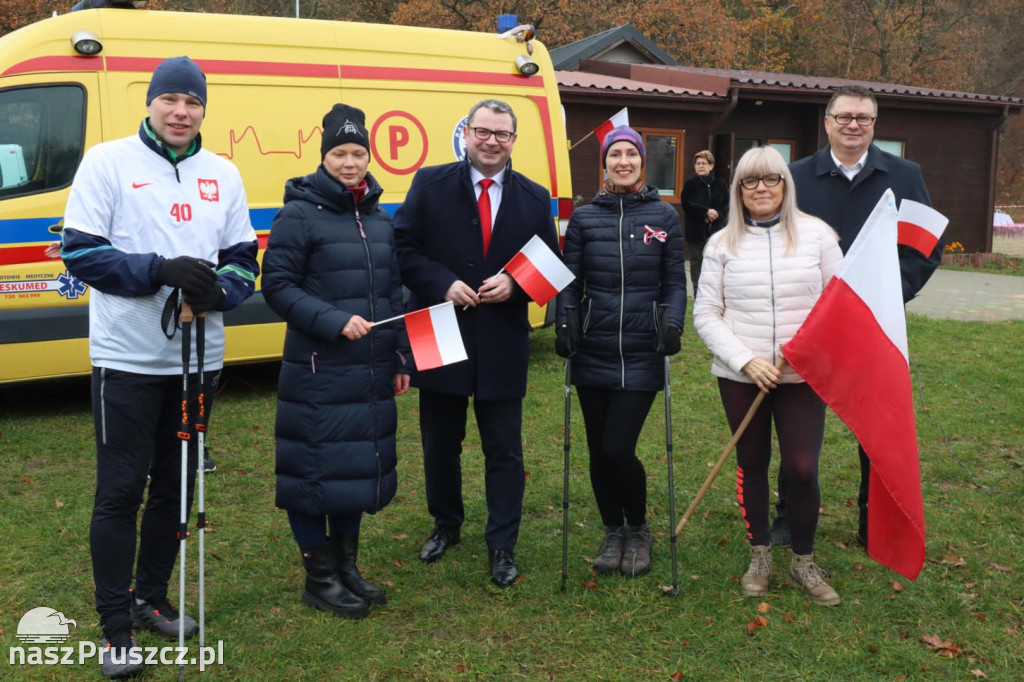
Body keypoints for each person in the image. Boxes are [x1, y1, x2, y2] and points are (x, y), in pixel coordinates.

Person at [60, 56, 258, 678]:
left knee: (176, 489)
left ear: (204, 109)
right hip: (127, 358)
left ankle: (151, 597)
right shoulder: (107, 161)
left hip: (198, 362)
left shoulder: (222, 173)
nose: (181, 111)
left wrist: (217, 291)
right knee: (120, 491)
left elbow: (243, 260)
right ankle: (115, 628)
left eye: (192, 102)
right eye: (170, 99)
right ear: (149, 103)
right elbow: (82, 253)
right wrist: (159, 270)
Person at [393, 99, 560, 587]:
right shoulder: (430, 183)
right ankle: (446, 524)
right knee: (439, 443)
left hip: (503, 333)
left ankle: (502, 544)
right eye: (483, 132)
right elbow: (403, 248)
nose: (492, 141)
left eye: (502, 134)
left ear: (513, 141)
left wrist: (517, 283)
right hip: (438, 324)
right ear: (465, 134)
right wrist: (441, 282)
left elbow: (549, 261)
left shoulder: (534, 196)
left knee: (504, 449)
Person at [261, 103, 411, 619]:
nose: (350, 163)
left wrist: (401, 357)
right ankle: (319, 579)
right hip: (319, 369)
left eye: (359, 153)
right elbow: (276, 286)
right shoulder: (298, 213)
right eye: (340, 153)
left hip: (369, 369)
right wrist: (331, 319)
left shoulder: (378, 216)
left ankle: (347, 569)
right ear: (324, 156)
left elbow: (395, 292)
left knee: (353, 467)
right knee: (310, 475)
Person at [778, 85, 941, 549]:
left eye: (864, 118)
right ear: (827, 122)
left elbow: (924, 251)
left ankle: (874, 521)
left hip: (871, 327)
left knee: (874, 427)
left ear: (874, 124)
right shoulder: (795, 177)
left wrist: (888, 297)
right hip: (808, 326)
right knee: (797, 431)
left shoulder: (906, 177)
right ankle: (789, 514)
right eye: (845, 116)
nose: (854, 125)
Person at [693, 146, 843, 606]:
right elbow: (705, 313)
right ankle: (760, 554)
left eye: (771, 179)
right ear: (738, 189)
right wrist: (745, 361)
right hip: (742, 376)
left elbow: (840, 308)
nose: (761, 189)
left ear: (786, 184)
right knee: (752, 463)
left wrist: (808, 353)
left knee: (801, 467)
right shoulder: (721, 243)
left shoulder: (819, 237)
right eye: (750, 181)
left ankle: (802, 561)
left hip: (801, 375)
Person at [554, 126, 687, 577]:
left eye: (632, 154)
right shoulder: (587, 218)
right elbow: (569, 281)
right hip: (593, 347)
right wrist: (566, 322)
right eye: (616, 154)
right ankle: (613, 530)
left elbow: (674, 281)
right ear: (606, 162)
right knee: (596, 448)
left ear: (642, 162)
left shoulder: (664, 217)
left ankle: (639, 528)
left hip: (642, 347)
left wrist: (671, 323)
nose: (623, 161)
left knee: (617, 446)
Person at [681, 150, 729, 296]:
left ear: (711, 166)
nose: (700, 166)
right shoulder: (690, 185)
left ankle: (714, 291)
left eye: (704, 163)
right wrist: (704, 212)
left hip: (715, 230)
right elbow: (687, 204)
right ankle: (697, 291)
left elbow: (726, 205)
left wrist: (716, 215)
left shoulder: (720, 184)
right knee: (696, 261)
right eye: (698, 163)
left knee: (714, 260)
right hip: (695, 230)